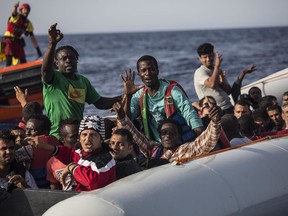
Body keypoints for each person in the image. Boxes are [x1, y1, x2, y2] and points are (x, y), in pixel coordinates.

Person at [41, 23, 122, 139]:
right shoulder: (53, 79)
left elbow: (99, 102)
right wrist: (52, 43)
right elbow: (45, 70)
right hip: (57, 136)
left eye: (72, 58)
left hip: (77, 135)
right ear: (56, 63)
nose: (68, 61)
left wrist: (124, 97)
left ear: (77, 60)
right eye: (64, 59)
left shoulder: (83, 81)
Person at [121, 56, 204, 142]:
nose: (148, 73)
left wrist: (200, 136)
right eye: (143, 70)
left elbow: (189, 113)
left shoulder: (172, 91)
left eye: (151, 69)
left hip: (180, 142)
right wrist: (128, 95)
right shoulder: (139, 95)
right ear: (139, 74)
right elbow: (126, 121)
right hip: (156, 146)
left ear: (157, 71)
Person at [113, 100, 221, 163]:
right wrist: (122, 116)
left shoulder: (187, 149)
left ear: (179, 135)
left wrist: (215, 122)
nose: (167, 136)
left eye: (172, 132)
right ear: (159, 136)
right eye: (164, 133)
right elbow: (134, 135)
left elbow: (206, 141)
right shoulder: (154, 148)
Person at [27, 115, 116, 192]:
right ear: (79, 138)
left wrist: (72, 167)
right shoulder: (81, 154)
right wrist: (45, 146)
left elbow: (93, 181)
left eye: (93, 135)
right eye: (84, 135)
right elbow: (69, 154)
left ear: (101, 139)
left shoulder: (105, 161)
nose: (87, 139)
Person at [194, 43, 256, 114]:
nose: (208, 59)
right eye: (205, 57)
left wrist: (222, 82)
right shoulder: (200, 72)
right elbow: (212, 85)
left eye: (210, 56)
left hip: (228, 106)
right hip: (214, 111)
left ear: (213, 55)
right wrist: (217, 66)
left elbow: (228, 91)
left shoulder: (218, 70)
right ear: (200, 58)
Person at [3, 2, 42, 66]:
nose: (26, 11)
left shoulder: (28, 23)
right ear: (21, 10)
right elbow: (14, 13)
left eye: (28, 10)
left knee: (23, 59)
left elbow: (32, 38)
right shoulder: (16, 17)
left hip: (18, 42)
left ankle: (26, 73)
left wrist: (38, 50)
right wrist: (15, 7)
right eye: (25, 9)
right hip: (9, 41)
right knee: (9, 59)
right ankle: (5, 74)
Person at [0, 130, 37, 194]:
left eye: (11, 148)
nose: (8, 152)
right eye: (4, 149)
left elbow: (37, 196)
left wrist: (25, 186)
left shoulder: (22, 172)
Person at [46, 119, 79, 190]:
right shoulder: (52, 163)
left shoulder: (89, 158)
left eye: (81, 135)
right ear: (62, 140)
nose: (79, 139)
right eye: (74, 137)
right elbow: (55, 191)